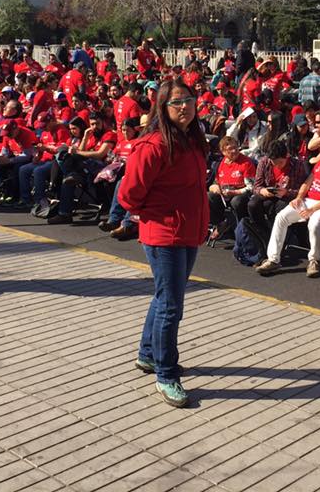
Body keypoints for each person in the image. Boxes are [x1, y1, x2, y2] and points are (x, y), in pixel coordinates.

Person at [117, 79, 209, 408]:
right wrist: (151, 215)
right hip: (164, 235)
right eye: (175, 103)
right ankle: (166, 374)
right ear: (162, 108)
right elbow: (128, 194)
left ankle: (148, 355)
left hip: (188, 232)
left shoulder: (192, 139)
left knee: (164, 298)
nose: (184, 107)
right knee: (172, 306)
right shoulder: (154, 145)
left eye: (188, 100)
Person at [255, 132, 320, 278]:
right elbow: (308, 182)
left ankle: (314, 260)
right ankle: (273, 259)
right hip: (309, 201)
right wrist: (299, 197)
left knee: (315, 223)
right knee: (281, 217)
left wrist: (312, 209)